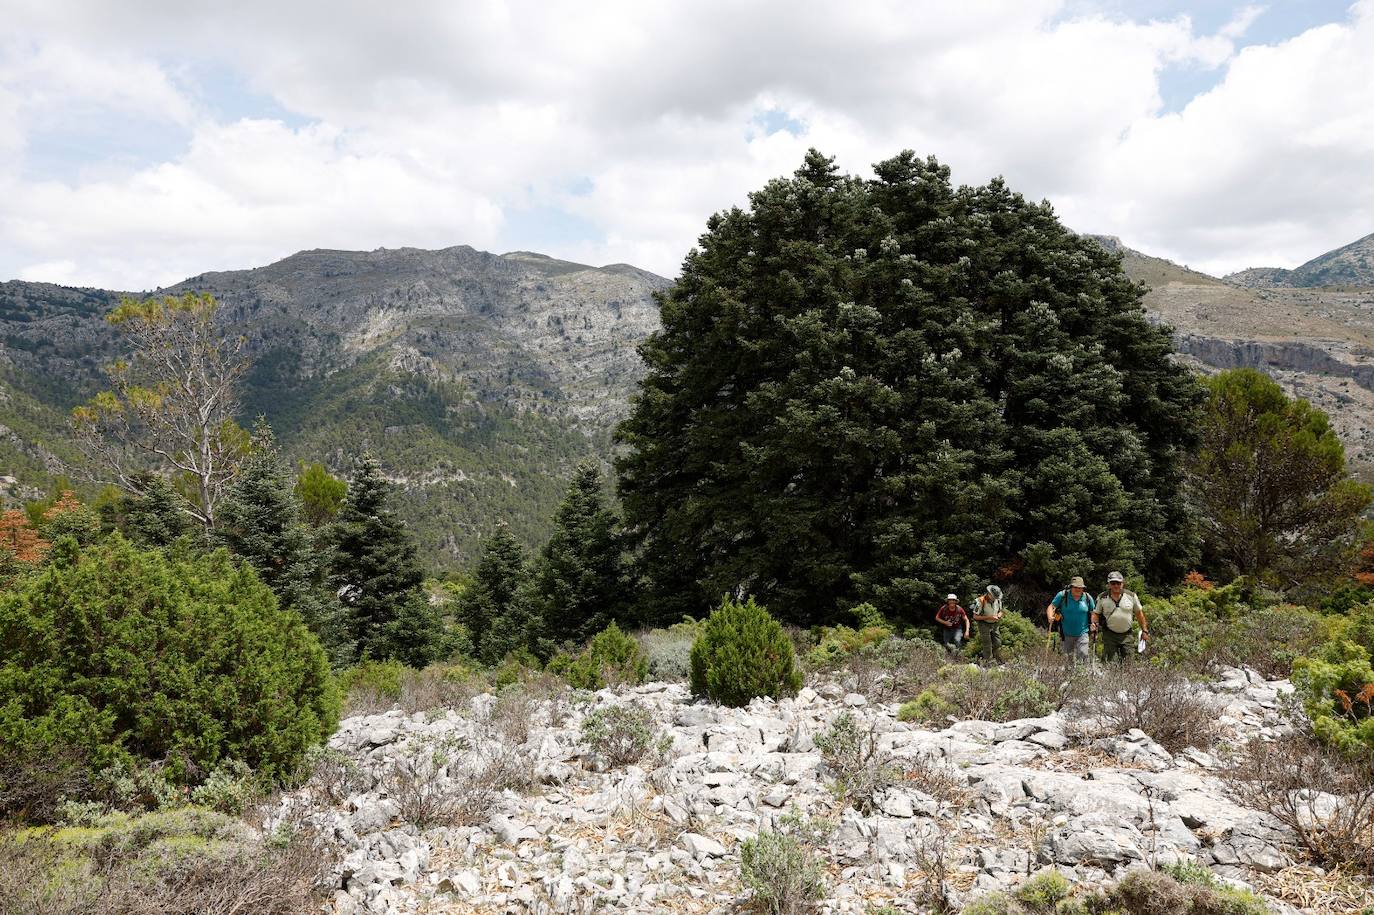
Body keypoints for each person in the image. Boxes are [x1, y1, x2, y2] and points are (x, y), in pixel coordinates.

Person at [1094, 571, 1149, 662]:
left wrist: (1144, 630)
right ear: (1109, 584)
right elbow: (1095, 613)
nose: (1116, 586)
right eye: (1113, 583)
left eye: (1118, 583)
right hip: (1109, 635)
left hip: (1127, 635)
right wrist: (1094, 625)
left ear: (1122, 584)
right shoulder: (1102, 597)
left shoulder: (1131, 596)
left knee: (1129, 662)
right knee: (1109, 662)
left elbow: (1139, 614)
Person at [1046, 576, 1095, 663]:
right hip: (1066, 633)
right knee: (1067, 659)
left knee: (1083, 654)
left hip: (1083, 632)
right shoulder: (1062, 595)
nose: (1078, 589)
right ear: (1071, 587)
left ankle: (1082, 675)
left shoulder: (1087, 598)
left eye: (1080, 587)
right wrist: (1050, 616)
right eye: (1075, 587)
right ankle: (1068, 675)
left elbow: (1093, 612)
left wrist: (1093, 623)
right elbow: (1051, 606)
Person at [970, 584, 1004, 662]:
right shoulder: (981, 601)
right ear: (989, 594)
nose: (995, 598)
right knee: (987, 644)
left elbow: (1001, 611)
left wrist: (998, 616)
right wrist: (989, 617)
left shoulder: (998, 600)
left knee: (998, 643)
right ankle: (987, 662)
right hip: (983, 624)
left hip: (995, 624)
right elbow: (975, 617)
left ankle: (993, 657)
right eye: (994, 596)